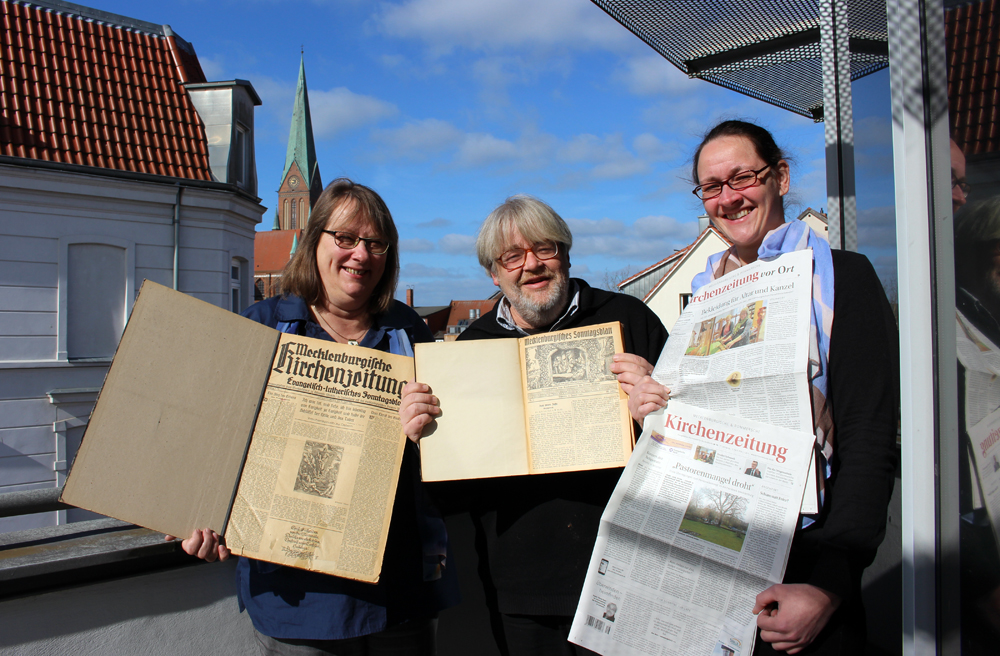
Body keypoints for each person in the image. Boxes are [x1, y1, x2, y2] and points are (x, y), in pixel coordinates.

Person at [628, 120, 898, 655]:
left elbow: (870, 436)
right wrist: (649, 409)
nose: (728, 198)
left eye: (743, 177)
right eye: (711, 186)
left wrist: (830, 584)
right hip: (712, 551)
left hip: (807, 560)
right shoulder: (702, 295)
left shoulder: (843, 277)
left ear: (780, 177)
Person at [168, 179, 458, 655]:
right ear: (313, 240)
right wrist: (194, 513)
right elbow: (202, 435)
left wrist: (429, 430)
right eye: (345, 238)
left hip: (402, 591)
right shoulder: (261, 326)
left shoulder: (407, 329)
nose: (360, 255)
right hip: (300, 599)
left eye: (375, 243)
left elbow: (456, 450)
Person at [400, 195, 669, 655]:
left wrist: (657, 410)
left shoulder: (629, 319)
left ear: (566, 253)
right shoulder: (470, 347)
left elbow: (694, 442)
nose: (532, 265)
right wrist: (421, 441)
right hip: (521, 587)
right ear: (494, 273)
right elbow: (451, 495)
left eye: (545, 249)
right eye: (513, 256)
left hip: (628, 573)